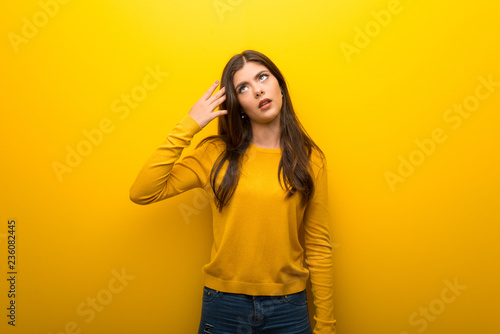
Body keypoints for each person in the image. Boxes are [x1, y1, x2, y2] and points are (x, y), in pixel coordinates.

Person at [130, 50, 336, 333]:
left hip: (288, 308)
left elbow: (319, 247)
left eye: (262, 77)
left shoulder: (310, 160)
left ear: (280, 85)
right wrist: (189, 124)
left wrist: (326, 324)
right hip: (223, 305)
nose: (258, 89)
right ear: (238, 104)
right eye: (244, 88)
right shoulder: (215, 153)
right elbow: (143, 191)